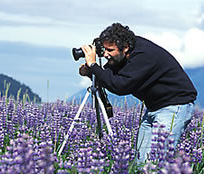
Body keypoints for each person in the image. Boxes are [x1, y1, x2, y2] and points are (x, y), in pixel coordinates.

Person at [79, 22, 197, 165]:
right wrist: (91, 72)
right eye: (104, 49)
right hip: (154, 107)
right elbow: (109, 76)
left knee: (155, 162)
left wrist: (93, 66)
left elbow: (120, 86)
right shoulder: (123, 54)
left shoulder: (143, 55)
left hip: (174, 106)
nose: (105, 54)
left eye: (110, 50)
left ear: (125, 47)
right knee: (142, 161)